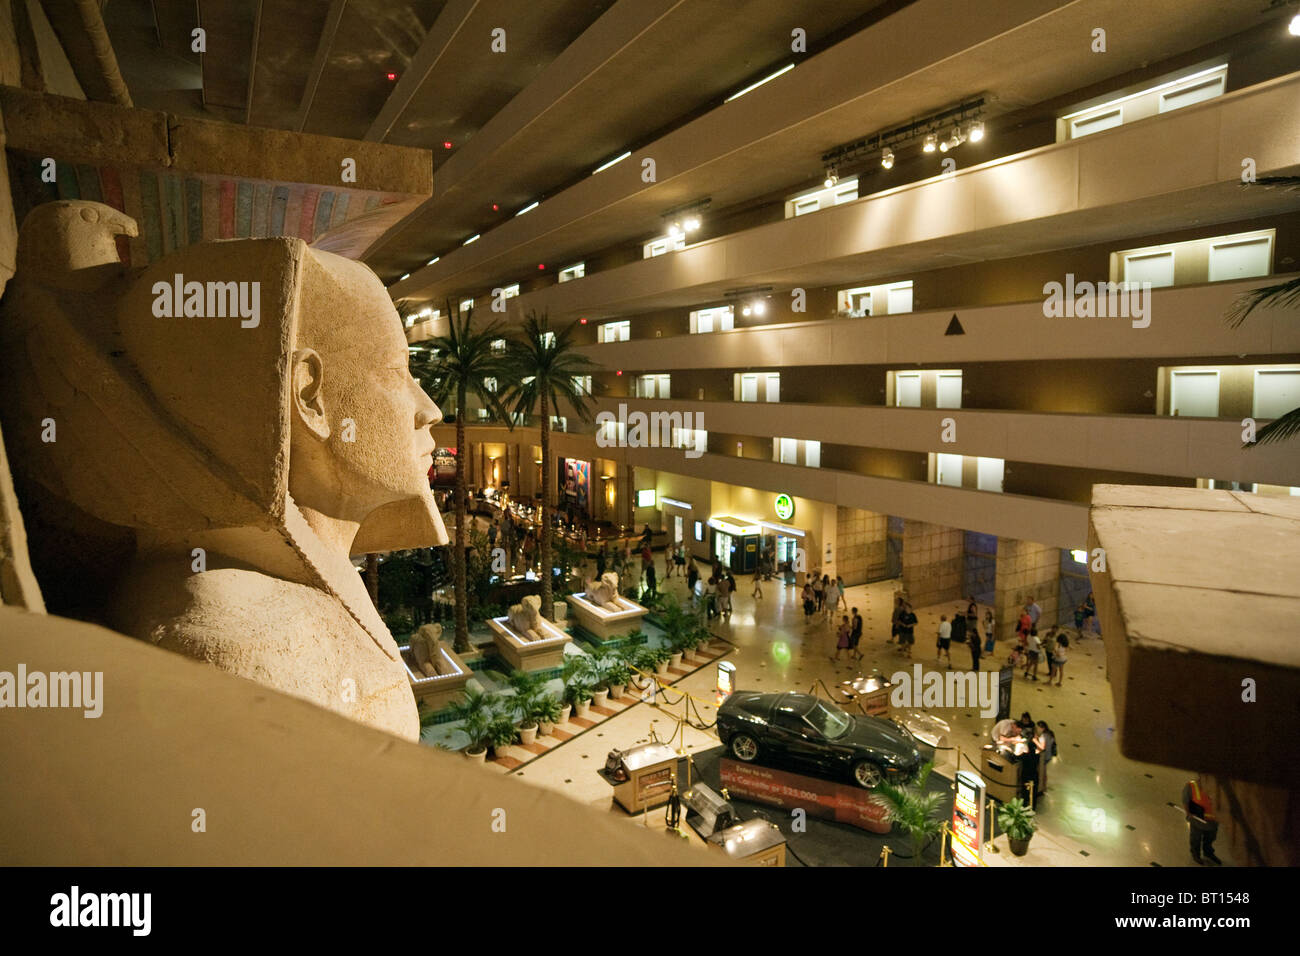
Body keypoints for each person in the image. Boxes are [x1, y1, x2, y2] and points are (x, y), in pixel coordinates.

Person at [1182, 778, 1222, 865]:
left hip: (1213, 821)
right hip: (1197, 821)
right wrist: (1189, 813)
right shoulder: (1191, 786)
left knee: (1210, 839)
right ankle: (1195, 854)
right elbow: (1185, 801)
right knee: (1196, 838)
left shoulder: (1219, 787)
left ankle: (1208, 853)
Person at [1034, 721, 1056, 795]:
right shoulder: (1050, 734)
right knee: (1044, 771)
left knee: (1042, 772)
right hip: (1049, 756)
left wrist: (1035, 741)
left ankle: (1042, 788)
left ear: (1042, 728)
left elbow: (1042, 747)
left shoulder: (1043, 736)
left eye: (1038, 728)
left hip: (1044, 756)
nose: (1037, 729)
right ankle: (1044, 787)